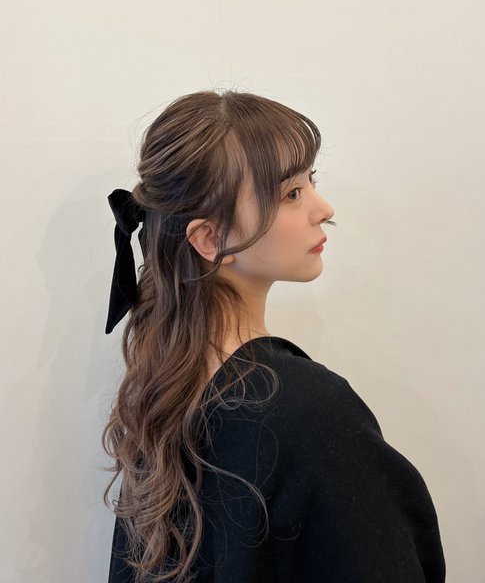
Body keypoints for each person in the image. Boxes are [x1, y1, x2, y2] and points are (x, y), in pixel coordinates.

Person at [103, 89, 446, 583]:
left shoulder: (161, 393)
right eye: (291, 194)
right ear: (210, 238)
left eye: (311, 182)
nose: (323, 208)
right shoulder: (308, 412)